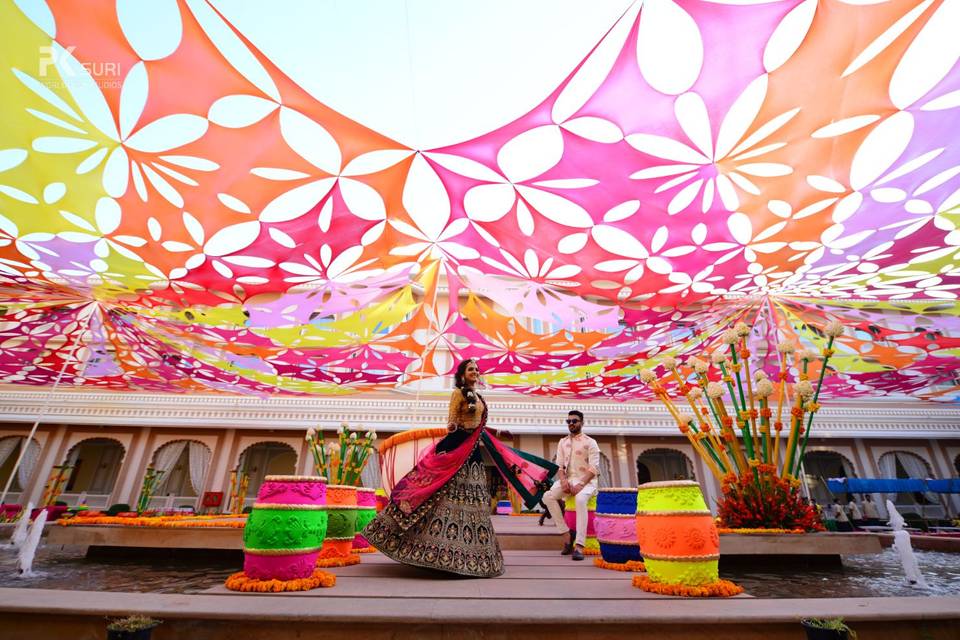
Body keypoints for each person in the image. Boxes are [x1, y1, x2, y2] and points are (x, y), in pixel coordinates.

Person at [363, 358, 557, 578]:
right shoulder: (458, 393)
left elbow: (477, 425)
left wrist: (498, 432)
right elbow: (454, 421)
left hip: (472, 452)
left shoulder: (479, 397)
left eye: (476, 369)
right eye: (470, 369)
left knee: (475, 501)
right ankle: (432, 552)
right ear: (462, 374)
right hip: (457, 448)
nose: (475, 371)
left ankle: (472, 556)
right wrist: (452, 429)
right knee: (441, 497)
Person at [541, 410, 600, 561]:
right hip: (568, 481)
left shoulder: (590, 442)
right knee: (547, 496)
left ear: (582, 422)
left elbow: (594, 468)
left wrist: (580, 484)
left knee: (580, 499)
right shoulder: (563, 442)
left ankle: (579, 545)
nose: (571, 424)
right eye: (569, 421)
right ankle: (567, 535)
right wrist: (563, 481)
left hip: (587, 482)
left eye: (575, 421)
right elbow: (559, 467)